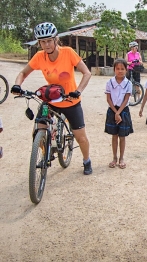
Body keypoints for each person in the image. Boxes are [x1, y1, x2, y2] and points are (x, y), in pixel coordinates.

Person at [11, 22, 93, 175]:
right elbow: (22, 73)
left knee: (80, 137)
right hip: (51, 99)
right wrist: (17, 85)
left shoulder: (68, 52)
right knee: (38, 129)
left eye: (49, 40)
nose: (46, 44)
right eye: (42, 41)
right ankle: (46, 150)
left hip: (70, 101)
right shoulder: (39, 56)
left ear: (56, 39)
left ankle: (86, 160)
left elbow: (87, 73)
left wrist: (78, 91)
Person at [104, 59, 133, 169]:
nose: (120, 71)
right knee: (114, 135)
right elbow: (108, 99)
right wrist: (116, 113)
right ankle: (114, 158)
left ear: (126, 70)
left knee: (122, 136)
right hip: (112, 110)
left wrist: (119, 112)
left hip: (123, 111)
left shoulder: (128, 84)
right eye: (117, 69)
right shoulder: (110, 83)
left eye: (122, 69)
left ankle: (121, 158)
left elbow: (126, 99)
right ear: (114, 69)